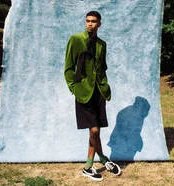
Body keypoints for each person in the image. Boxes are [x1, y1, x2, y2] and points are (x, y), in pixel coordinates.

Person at [64, 10, 121, 181]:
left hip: (98, 92)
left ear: (99, 24)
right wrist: (74, 87)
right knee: (94, 130)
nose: (90, 24)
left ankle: (91, 165)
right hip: (83, 92)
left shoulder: (102, 44)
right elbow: (68, 67)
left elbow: (102, 67)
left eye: (94, 21)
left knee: (95, 131)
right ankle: (100, 160)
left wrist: (105, 85)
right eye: (87, 21)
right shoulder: (76, 40)